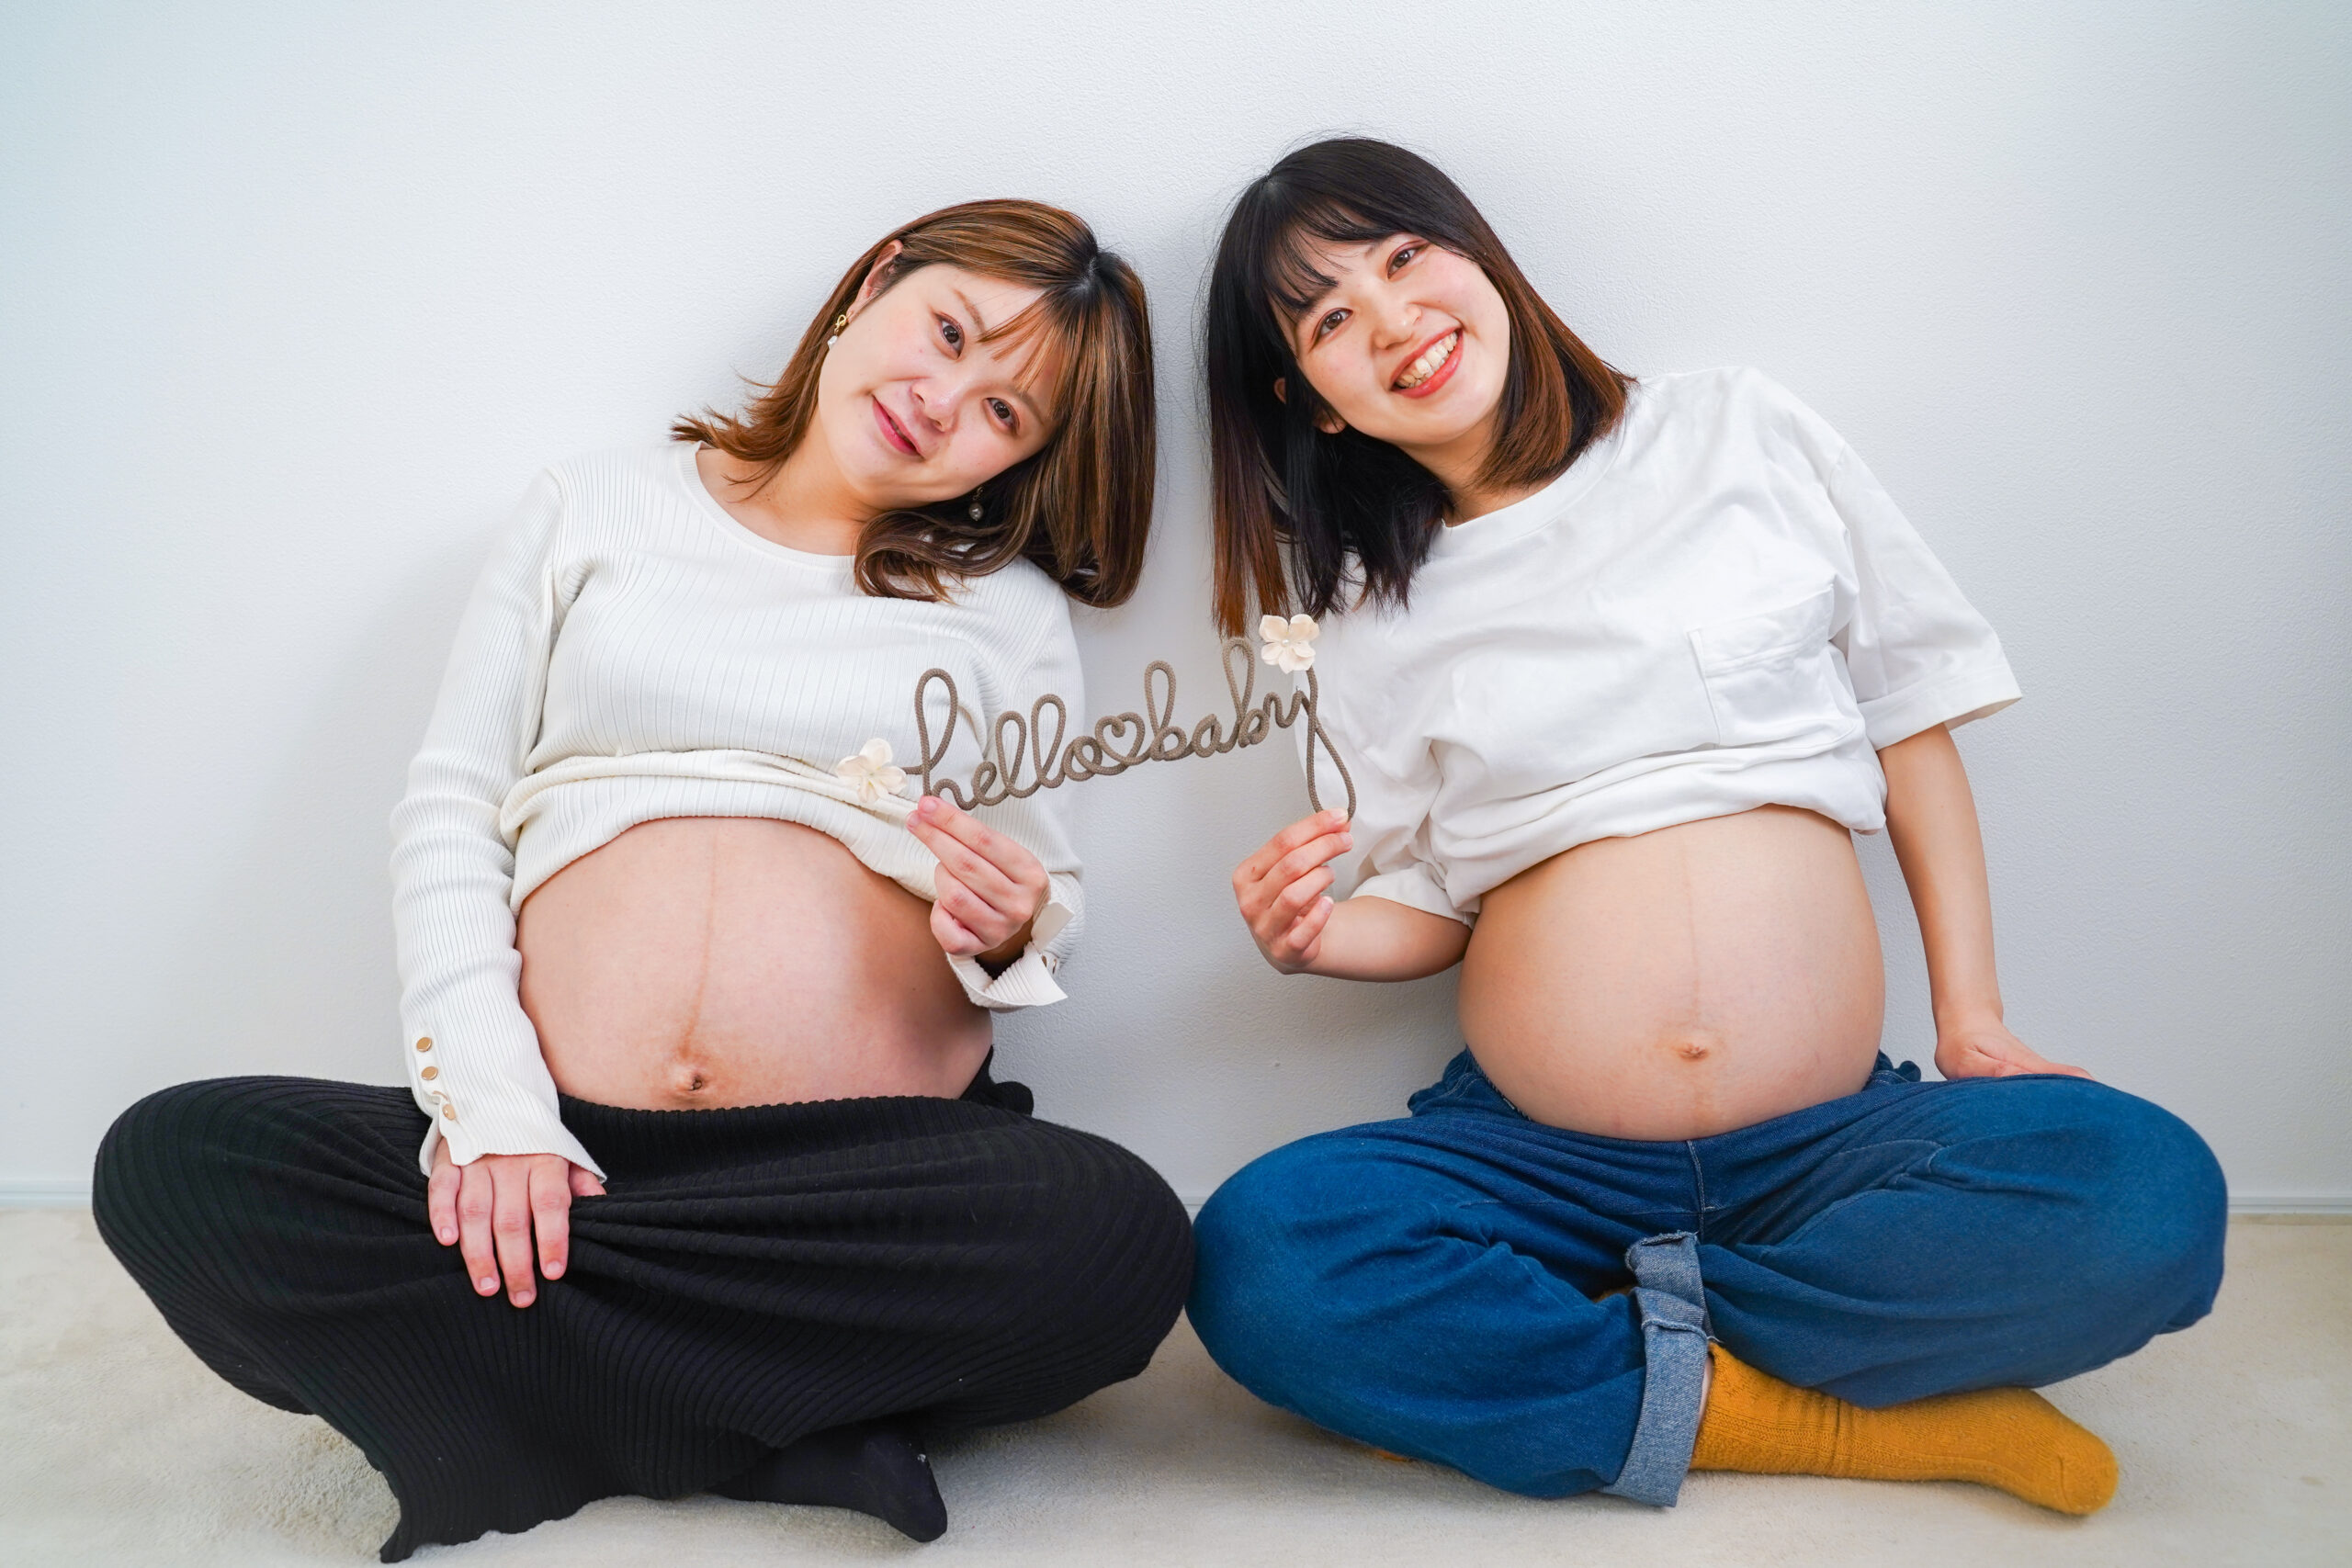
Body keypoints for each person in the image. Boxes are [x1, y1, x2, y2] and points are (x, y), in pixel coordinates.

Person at [93, 199, 1193, 1561]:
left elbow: (1041, 898)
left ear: (1021, 460)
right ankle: (777, 1414)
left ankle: (533, 1390)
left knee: (1120, 1237)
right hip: (560, 1157)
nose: (941, 401)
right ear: (874, 283)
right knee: (175, 1163)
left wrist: (1016, 923)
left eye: (1004, 413)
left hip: (840, 1181)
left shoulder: (1006, 610)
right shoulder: (596, 505)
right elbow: (453, 807)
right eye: (950, 333)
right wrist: (495, 1117)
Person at [1189, 139, 2224, 1516]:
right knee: (1260, 1254)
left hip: (1827, 1148)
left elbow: (1912, 718)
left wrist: (1971, 1019)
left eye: (1403, 255)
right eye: (1327, 318)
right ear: (1307, 401)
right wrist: (1315, 940)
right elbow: (1428, 903)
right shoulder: (1364, 613)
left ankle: (1571, 1362)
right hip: (1546, 1167)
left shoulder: (1735, 429)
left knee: (2151, 1197)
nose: (1390, 318)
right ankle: (1815, 1414)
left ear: (1479, 252)